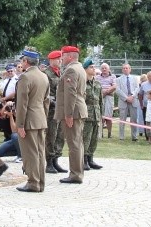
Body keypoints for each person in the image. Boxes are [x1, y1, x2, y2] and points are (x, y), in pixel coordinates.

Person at [15, 49, 49, 193]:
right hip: (40, 118)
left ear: (26, 61)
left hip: (29, 119)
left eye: (22, 60)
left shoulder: (25, 77)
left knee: (30, 153)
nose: (21, 63)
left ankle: (33, 182)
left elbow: (22, 103)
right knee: (40, 152)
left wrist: (20, 124)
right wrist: (43, 117)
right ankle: (40, 182)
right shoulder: (43, 76)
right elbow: (46, 101)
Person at [54, 46, 88, 184]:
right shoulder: (80, 68)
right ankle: (77, 172)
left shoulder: (71, 69)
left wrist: (68, 115)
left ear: (69, 56)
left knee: (73, 143)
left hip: (73, 111)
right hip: (79, 109)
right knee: (77, 143)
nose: (61, 58)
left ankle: (75, 174)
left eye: (63, 55)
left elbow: (70, 94)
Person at [82, 58, 103, 169]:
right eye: (91, 67)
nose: (94, 68)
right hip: (87, 115)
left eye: (94, 67)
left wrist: (101, 115)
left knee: (94, 138)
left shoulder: (97, 84)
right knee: (86, 138)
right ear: (85, 69)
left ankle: (90, 158)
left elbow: (100, 101)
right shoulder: (82, 83)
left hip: (96, 114)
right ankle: (83, 160)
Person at [116, 63, 140, 141]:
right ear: (122, 70)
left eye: (127, 68)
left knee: (134, 120)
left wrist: (132, 96)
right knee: (122, 120)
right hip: (123, 101)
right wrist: (126, 98)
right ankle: (121, 137)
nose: (125, 69)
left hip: (133, 100)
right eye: (124, 68)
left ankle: (134, 136)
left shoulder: (135, 78)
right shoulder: (118, 79)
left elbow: (137, 88)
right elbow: (118, 90)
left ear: (130, 69)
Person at [97, 63, 116, 139]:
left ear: (108, 69)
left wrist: (105, 92)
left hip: (109, 97)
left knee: (108, 116)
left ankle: (109, 133)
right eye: (103, 68)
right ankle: (100, 133)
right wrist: (102, 94)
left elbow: (114, 86)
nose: (104, 69)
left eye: (105, 68)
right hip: (100, 97)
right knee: (100, 116)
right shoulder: (97, 77)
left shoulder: (113, 76)